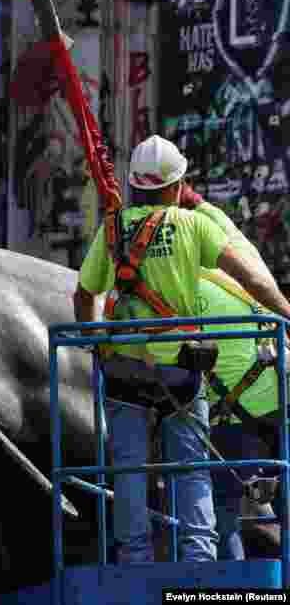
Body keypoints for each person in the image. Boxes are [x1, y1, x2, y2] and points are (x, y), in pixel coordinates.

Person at [72, 135, 290, 563]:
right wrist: (287, 311)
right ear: (176, 186)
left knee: (129, 468)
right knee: (192, 469)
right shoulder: (195, 225)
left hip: (124, 371)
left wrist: (95, 341)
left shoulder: (112, 228)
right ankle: (199, 560)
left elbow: (84, 295)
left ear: (136, 185)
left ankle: (133, 560)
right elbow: (254, 280)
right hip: (181, 371)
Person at [180, 185, 283, 560]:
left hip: (233, 418)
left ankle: (230, 588)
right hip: (282, 391)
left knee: (220, 517)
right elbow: (195, 201)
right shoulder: (229, 236)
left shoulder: (177, 283)